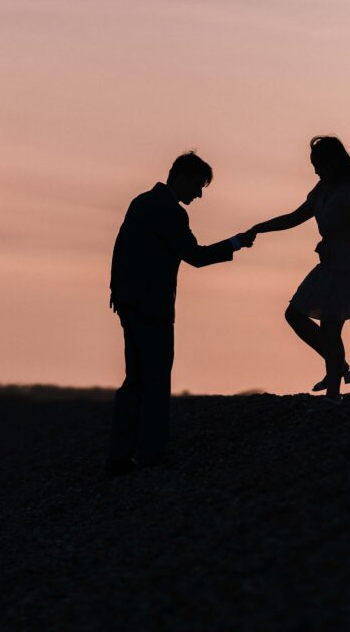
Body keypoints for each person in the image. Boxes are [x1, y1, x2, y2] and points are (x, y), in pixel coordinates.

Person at [106, 152, 255, 475]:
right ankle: (151, 455)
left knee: (134, 380)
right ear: (184, 177)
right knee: (156, 381)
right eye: (199, 186)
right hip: (154, 307)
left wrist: (117, 294)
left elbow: (120, 250)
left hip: (129, 305)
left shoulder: (141, 202)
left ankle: (120, 455)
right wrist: (236, 243)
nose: (199, 195)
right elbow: (196, 257)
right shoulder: (170, 212)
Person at [249, 136, 350, 403]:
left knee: (331, 327)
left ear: (333, 163)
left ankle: (334, 395)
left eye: (318, 164)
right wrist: (259, 228)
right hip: (329, 260)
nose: (315, 170)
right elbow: (294, 217)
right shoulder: (323, 189)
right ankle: (338, 365)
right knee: (294, 314)